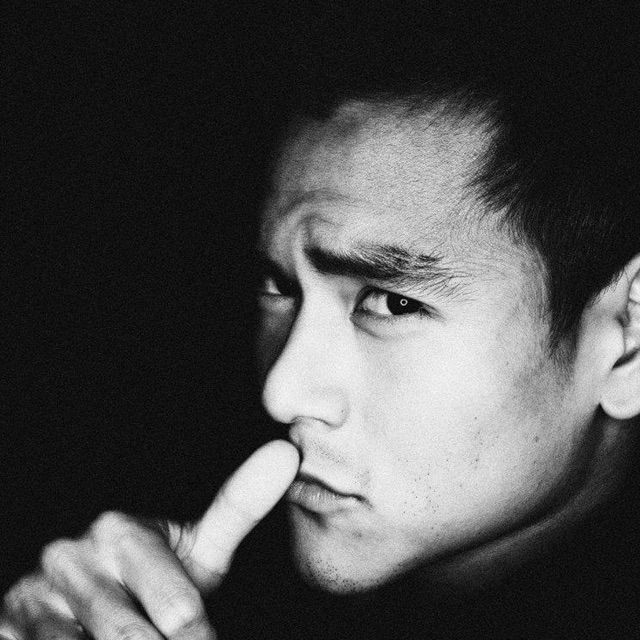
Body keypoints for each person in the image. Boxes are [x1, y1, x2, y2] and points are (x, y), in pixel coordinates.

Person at [3, 3, 640, 638]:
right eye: (280, 286)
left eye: (391, 303)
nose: (280, 393)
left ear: (629, 342)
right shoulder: (180, 543)